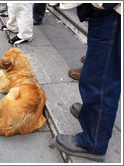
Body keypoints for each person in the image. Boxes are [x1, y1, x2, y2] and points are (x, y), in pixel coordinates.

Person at [51, 3, 121, 162]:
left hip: (110, 12)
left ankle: (93, 143)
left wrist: (103, 5)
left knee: (101, 79)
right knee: (95, 72)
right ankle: (93, 115)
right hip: (105, 11)